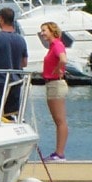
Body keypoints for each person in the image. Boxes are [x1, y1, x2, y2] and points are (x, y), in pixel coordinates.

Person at [0, 6, 28, 118]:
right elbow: (24, 63)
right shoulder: (21, 40)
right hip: (16, 82)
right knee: (13, 114)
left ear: (1, 20)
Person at [38, 22, 71, 160]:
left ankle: (60, 153)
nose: (42, 33)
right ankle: (58, 152)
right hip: (51, 84)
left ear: (52, 31)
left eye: (44, 30)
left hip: (56, 84)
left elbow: (63, 59)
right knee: (57, 120)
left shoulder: (57, 44)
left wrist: (58, 69)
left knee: (60, 120)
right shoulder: (52, 46)